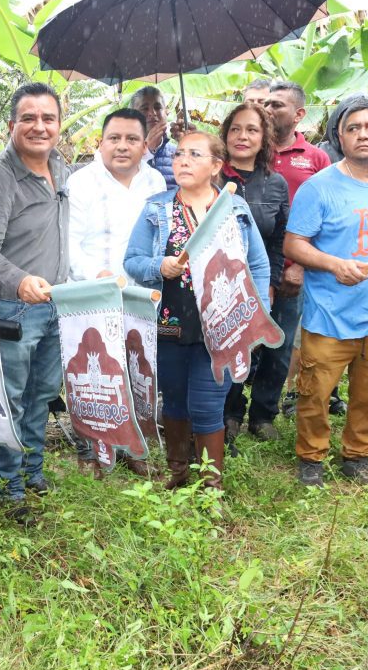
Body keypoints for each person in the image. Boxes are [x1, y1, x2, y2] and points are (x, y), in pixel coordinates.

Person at [283, 98, 368, 486]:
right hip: (329, 313)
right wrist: (332, 264)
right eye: (353, 128)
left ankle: (357, 455)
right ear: (340, 137)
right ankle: (311, 457)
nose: (363, 134)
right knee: (314, 393)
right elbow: (294, 244)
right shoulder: (318, 187)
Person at [125, 132, 271, 492]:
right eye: (178, 155)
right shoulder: (156, 208)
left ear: (216, 165)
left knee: (207, 405)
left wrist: (257, 318)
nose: (183, 161)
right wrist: (161, 266)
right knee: (174, 400)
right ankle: (178, 474)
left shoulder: (233, 208)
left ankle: (211, 487)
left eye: (194, 154)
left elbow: (259, 265)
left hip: (222, 324)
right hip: (170, 323)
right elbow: (132, 261)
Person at [0, 83, 68, 525]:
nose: (38, 126)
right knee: (10, 400)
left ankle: (32, 470)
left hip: (56, 306)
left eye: (48, 118)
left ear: (59, 127)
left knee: (42, 395)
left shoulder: (62, 168)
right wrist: (19, 279)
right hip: (14, 309)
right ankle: (6, 486)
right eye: (28, 118)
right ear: (11, 125)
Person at [67, 107, 165, 475]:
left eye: (132, 139)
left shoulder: (156, 183)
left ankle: (134, 450)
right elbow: (70, 244)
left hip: (142, 297)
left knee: (139, 374)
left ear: (145, 145)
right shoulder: (81, 183)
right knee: (94, 376)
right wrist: (99, 275)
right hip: (92, 295)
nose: (122, 146)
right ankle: (92, 450)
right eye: (115, 138)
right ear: (101, 142)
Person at [263, 81, 346, 420]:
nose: (269, 110)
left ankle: (265, 413)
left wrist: (298, 264)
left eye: (277, 105)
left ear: (298, 115)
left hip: (292, 265)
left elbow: (328, 216)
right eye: (266, 103)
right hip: (250, 263)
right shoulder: (252, 149)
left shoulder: (316, 158)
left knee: (282, 343)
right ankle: (229, 413)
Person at [218, 103, 289, 444]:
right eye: (235, 129)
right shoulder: (210, 177)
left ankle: (260, 416)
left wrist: (271, 283)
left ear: (265, 139)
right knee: (226, 349)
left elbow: (278, 240)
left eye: (252, 130)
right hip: (218, 285)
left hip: (260, 282)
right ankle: (227, 414)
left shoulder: (275, 184)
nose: (242, 136)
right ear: (225, 134)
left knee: (267, 349)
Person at [129, 86, 176, 188]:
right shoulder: (122, 152)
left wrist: (192, 145)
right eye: (145, 109)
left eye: (158, 108)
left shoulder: (177, 152)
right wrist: (147, 152)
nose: (152, 113)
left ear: (166, 112)